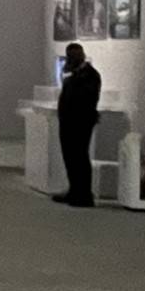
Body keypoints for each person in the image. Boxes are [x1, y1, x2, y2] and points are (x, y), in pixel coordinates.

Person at [52, 43, 101, 208]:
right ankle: (74, 190)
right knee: (70, 157)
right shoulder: (73, 75)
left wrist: (73, 78)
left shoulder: (90, 75)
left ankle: (84, 194)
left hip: (80, 122)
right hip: (68, 122)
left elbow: (85, 98)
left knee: (80, 157)